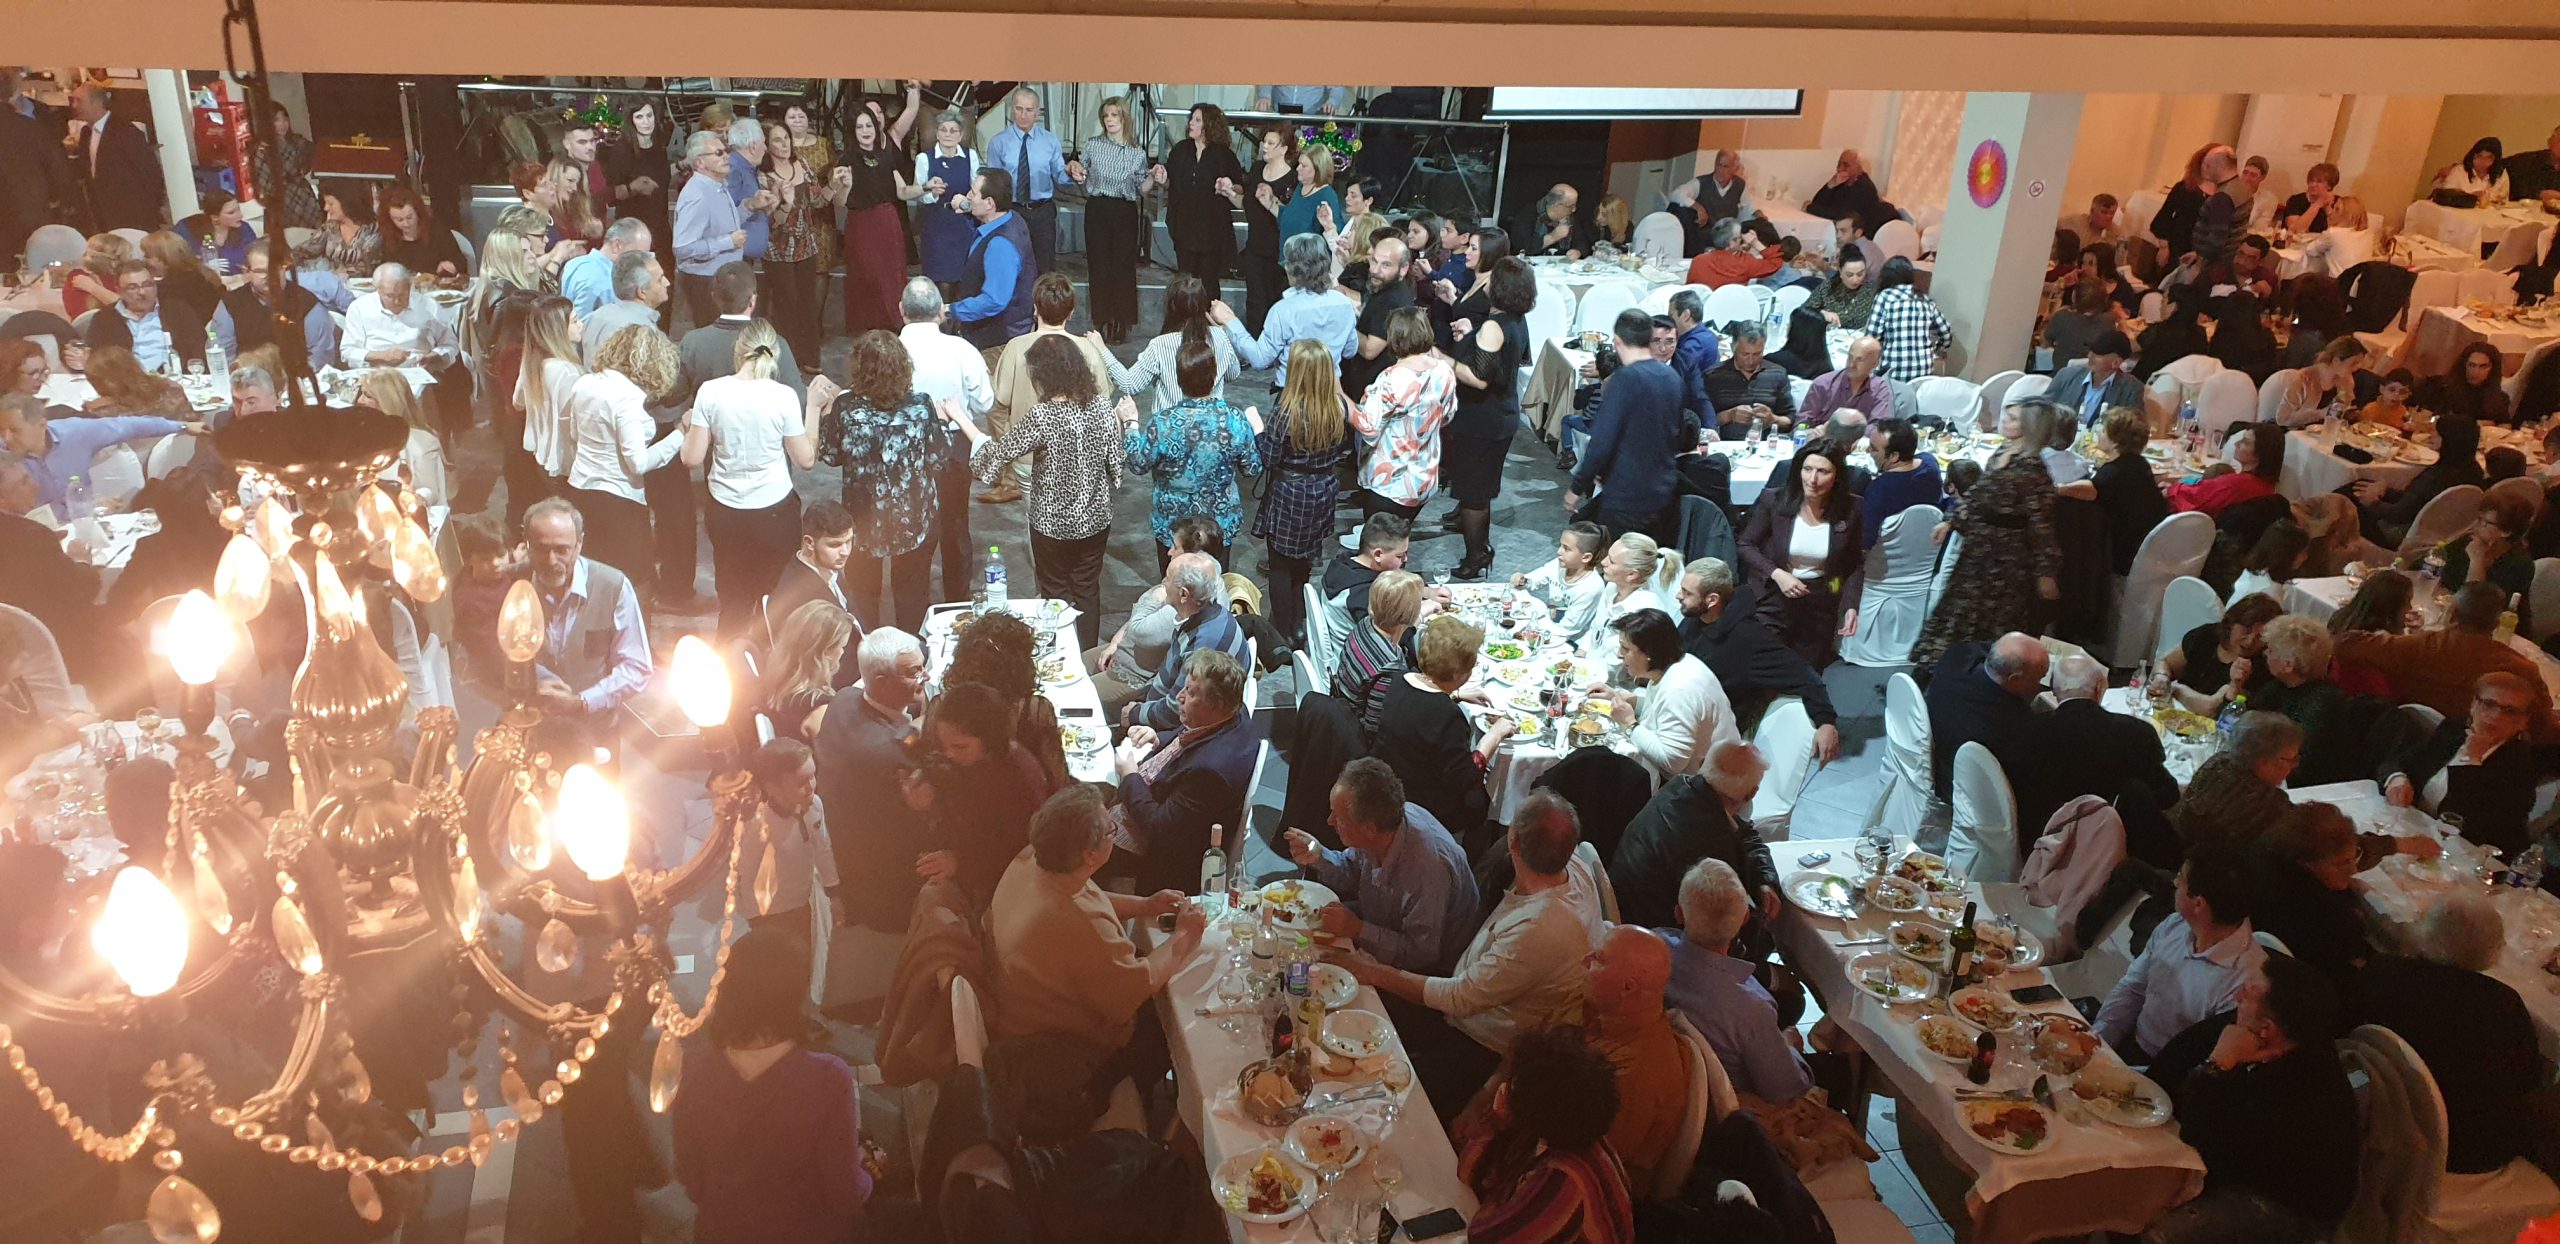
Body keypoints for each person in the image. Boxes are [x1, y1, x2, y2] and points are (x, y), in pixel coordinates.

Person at [1341, 792, 1605, 1112]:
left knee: (1378, 1093)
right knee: (1355, 1011)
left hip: (1487, 1041)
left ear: (1513, 840)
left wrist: (1374, 971)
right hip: (1466, 1000)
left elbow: (1460, 998)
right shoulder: (1571, 867)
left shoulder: (1542, 927)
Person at [988, 782, 1207, 1078]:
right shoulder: (1081, 922)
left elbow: (1087, 896)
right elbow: (1135, 989)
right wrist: (1185, 934)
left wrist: (1145, 905)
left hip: (1018, 1000)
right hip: (1057, 1042)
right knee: (1177, 1024)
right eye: (1110, 830)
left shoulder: (1033, 859)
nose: (1114, 831)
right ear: (1089, 854)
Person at [671, 926, 870, 1244]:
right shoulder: (828, 1078)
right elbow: (845, 1195)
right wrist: (868, 1172)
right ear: (796, 997)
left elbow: (690, 1179)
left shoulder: (690, 1068)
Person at [2143, 953, 2358, 1244]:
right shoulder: (2252, 1028)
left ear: (2266, 1029)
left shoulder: (2302, 1094)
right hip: (2237, 1161)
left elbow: (2205, 1141)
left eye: (2246, 994)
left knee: (2159, 1227)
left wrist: (2219, 1064)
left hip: (2285, 1207)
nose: (2237, 995)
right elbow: (2174, 1060)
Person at [949, 335, 1127, 649]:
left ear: (1043, 375)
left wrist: (962, 418)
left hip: (1051, 524)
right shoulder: (1102, 407)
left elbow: (997, 454)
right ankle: (1087, 656)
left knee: (1055, 592)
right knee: (1088, 589)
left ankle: (1061, 654)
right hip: (1095, 519)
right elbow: (1116, 464)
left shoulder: (1042, 416)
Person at [2351, 891, 2543, 1175]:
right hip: (2464, 1151)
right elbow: (2528, 1079)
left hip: (2377, 1119)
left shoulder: (2381, 973)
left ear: (2424, 934)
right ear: (2492, 952)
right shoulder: (2501, 1002)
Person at [1281, 758, 1482, 975]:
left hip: (1433, 972)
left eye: (1339, 818)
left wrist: (1357, 929)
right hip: (1382, 923)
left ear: (1369, 829)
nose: (1330, 822)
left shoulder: (1427, 869)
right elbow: (1351, 873)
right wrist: (1318, 855)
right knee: (1295, 936)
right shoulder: (1383, 826)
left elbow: (1420, 955)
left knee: (1311, 969)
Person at [812, 332, 953, 635]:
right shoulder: (921, 406)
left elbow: (830, 455)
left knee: (863, 594)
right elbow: (939, 456)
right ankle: (912, 648)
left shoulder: (846, 407)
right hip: (913, 517)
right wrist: (942, 422)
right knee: (912, 592)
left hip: (864, 519)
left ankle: (868, 649)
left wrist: (824, 414)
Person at [683, 320, 814, 637]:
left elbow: (691, 458)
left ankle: (733, 665)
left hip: (726, 511)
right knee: (778, 603)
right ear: (774, 353)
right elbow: (805, 459)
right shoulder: (783, 396)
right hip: (774, 512)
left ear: (738, 350)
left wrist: (687, 427)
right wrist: (814, 408)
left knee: (733, 603)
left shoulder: (710, 392)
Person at [1910, 401, 2063, 669]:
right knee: (1958, 610)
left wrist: (2045, 572)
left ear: (2030, 427)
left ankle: (1976, 674)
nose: (2005, 421)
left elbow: (2041, 525)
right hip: (1979, 550)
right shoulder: (2003, 451)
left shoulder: (2033, 470)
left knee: (1990, 620)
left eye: (2014, 419)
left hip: (2006, 560)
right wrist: (1951, 520)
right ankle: (1939, 672)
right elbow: (1979, 493)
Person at [1453, 1025, 1637, 1244]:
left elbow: (1485, 1236)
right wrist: (1495, 1122)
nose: (1505, 1087)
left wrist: (1496, 1198)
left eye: (1513, 1083)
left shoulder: (1565, 1178)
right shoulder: (1555, 1130)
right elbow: (1470, 1173)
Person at [1108, 649, 1262, 895]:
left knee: (1072, 843)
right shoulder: (1234, 711)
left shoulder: (1209, 772)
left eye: (1190, 693)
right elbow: (1188, 734)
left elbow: (1159, 828)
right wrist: (1157, 739)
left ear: (1216, 706)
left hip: (1161, 860)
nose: (1179, 696)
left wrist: (1129, 776)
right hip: (1160, 805)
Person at [1662, 858, 1811, 1102]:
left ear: (1679, 914)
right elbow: (1786, 1090)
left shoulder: (1655, 953)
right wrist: (1790, 1046)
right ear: (1744, 918)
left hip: (1679, 1085)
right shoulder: (1752, 1008)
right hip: (1736, 1102)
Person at [2093, 853, 2264, 1063]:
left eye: (2181, 878)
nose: (2174, 883)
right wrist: (2097, 1042)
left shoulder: (2247, 982)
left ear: (2198, 904)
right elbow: (2133, 988)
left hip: (2168, 1070)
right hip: (2131, 1042)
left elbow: (2203, 1059)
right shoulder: (2175, 925)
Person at [1673, 557, 1844, 764]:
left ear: (1712, 600)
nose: (1678, 596)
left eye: (1687, 593)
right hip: (1682, 710)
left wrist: (1826, 722)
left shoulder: (1750, 640)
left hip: (1711, 739)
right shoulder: (1694, 620)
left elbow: (1806, 677)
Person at [815, 628, 929, 931]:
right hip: (884, 889)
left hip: (844, 846)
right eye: (914, 672)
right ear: (880, 681)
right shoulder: (888, 755)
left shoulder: (844, 697)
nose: (926, 676)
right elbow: (926, 809)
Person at [2335, 582, 2554, 739]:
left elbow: (2345, 643)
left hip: (2413, 738)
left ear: (2452, 614)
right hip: (2482, 756)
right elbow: (2542, 726)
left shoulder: (2422, 647)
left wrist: (2387, 636)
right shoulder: (2522, 670)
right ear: (2496, 624)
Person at [910, 680, 1054, 908]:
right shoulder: (973, 759)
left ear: (989, 738)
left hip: (997, 888)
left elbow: (1021, 850)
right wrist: (927, 797)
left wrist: (959, 863)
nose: (948, 754)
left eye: (959, 747)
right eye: (944, 745)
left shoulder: (1021, 780)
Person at [1570, 925, 1690, 1193]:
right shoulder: (1604, 1010)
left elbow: (1588, 1166)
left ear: (1627, 988)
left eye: (1598, 959)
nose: (1585, 961)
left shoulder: (1635, 1075)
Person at [564, 325, 686, 589]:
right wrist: (680, 435)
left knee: (589, 578)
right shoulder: (628, 397)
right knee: (629, 583)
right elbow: (637, 463)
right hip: (618, 503)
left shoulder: (584, 383)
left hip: (580, 491)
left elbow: (574, 434)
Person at [1368, 614, 1512, 837]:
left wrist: (1455, 694)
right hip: (1424, 805)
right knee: (1479, 799)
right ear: (1456, 673)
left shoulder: (1399, 679)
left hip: (1391, 782)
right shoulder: (1447, 716)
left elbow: (1421, 707)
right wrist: (1494, 736)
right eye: (1469, 668)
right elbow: (1466, 777)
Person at [1123, 339, 1262, 567]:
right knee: (1214, 582)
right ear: (1214, 376)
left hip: (1174, 525)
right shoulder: (1235, 419)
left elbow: (1138, 464)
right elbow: (1252, 468)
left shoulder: (1163, 423)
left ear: (1179, 379)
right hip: (1218, 523)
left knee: (1174, 584)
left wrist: (1130, 424)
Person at [1252, 340, 1356, 640]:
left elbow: (1269, 457)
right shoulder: (1338, 407)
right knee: (1304, 563)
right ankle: (1299, 624)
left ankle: (1281, 633)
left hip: (1289, 493)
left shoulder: (1286, 412)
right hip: (1323, 491)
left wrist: (1258, 430)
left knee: (1280, 566)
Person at [2382, 670, 2542, 854]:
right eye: (2489, 704)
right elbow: (2399, 760)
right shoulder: (2454, 729)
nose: (2495, 715)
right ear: (2474, 704)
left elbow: (2462, 821)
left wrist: (2472, 761)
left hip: (2463, 853)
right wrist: (2397, 778)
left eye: (2510, 711)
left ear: (2522, 722)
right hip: (2414, 827)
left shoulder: (2522, 768)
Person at [520, 498, 653, 719]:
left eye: (562, 550)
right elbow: (489, 658)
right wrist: (532, 681)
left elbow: (636, 667)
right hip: (529, 723)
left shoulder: (612, 586)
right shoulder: (511, 585)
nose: (551, 561)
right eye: (541, 549)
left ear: (579, 543)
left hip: (594, 725)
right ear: (527, 544)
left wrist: (583, 702)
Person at [1445, 256, 1536, 579]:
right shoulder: (1515, 321)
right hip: (1501, 414)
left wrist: (1442, 358)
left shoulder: (1494, 326)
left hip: (1483, 420)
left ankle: (1476, 555)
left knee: (1474, 494)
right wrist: (1473, 335)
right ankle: (1477, 548)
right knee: (1478, 489)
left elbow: (1479, 377)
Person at [1739, 439, 1863, 667]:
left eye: (1822, 471)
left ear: (1837, 476)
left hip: (1820, 601)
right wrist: (1777, 574)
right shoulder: (1775, 500)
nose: (1812, 479)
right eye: (1807, 469)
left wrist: (1850, 605)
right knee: (1764, 664)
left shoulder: (1852, 509)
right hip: (1774, 595)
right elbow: (1746, 544)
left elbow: (1853, 563)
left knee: (1807, 669)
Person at [1568, 309, 1686, 542]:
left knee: (1619, 557)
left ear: (1617, 341)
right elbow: (1676, 433)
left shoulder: (1625, 378)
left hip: (1627, 493)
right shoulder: (1672, 377)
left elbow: (1603, 440)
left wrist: (1577, 486)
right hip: (1664, 490)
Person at [1087, 517, 1220, 718]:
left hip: (1135, 674)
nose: (1169, 552)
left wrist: (1156, 595)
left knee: (1067, 695)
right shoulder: (1190, 580)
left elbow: (1140, 631)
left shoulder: (1186, 600)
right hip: (1125, 651)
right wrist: (1115, 642)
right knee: (1065, 664)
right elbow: (1135, 625)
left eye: (1175, 547)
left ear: (1192, 558)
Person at [1345, 305, 1458, 525]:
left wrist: (1341, 397)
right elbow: (1447, 416)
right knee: (1400, 535)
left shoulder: (1391, 379)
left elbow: (1368, 427)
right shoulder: (1443, 370)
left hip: (1390, 483)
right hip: (1424, 477)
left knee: (1381, 541)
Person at [0, 392, 200, 514]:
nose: (6, 438)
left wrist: (182, 426)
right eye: (2, 430)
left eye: (14, 430)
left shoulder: (75, 433)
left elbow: (129, 426)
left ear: (41, 425)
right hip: (31, 538)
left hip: (86, 526)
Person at [1118, 553, 1251, 732]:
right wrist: (1142, 699)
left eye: (1167, 578)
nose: (1163, 583)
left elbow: (1176, 711)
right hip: (1159, 704)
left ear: (1183, 594)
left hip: (1178, 729)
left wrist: (1135, 714)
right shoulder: (1209, 615)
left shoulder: (1203, 647)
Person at [1607, 608, 1740, 781]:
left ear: (1649, 653)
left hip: (1703, 784)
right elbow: (1665, 712)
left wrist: (1630, 724)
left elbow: (1673, 761)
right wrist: (1633, 702)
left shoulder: (1679, 689)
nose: (1619, 654)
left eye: (1625, 648)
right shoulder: (1678, 664)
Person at [1216, 232, 1359, 388]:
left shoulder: (1283, 310)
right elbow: (1349, 351)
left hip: (1292, 394)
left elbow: (1260, 359)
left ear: (1292, 270)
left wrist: (1230, 321)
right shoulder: (1343, 303)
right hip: (1330, 392)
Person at [1925, 632, 2049, 804]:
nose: (2040, 684)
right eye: (2039, 677)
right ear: (2015, 679)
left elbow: (1978, 647)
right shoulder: (2013, 726)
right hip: (1964, 791)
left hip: (1936, 755)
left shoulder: (1955, 658)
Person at [737, 736, 844, 932]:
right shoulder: (758, 826)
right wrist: (756, 920)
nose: (811, 787)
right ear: (772, 788)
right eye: (801, 782)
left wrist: (833, 891)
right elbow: (747, 876)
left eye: (812, 776)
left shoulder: (815, 805)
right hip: (775, 912)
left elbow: (822, 848)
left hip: (807, 898)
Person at [818, 109, 902, 342]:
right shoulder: (847, 160)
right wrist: (844, 185)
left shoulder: (886, 156)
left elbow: (902, 191)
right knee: (867, 273)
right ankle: (868, 327)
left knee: (890, 274)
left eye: (869, 125)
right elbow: (839, 203)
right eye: (859, 126)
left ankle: (891, 323)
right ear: (852, 131)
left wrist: (926, 188)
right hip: (862, 222)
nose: (865, 131)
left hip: (887, 221)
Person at [1105, 273, 1240, 412]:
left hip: (1169, 423)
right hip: (1212, 421)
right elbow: (1232, 374)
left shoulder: (1160, 345)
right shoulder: (1220, 336)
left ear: (1171, 306)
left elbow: (1130, 384)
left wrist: (1102, 350)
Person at [1159, 103, 1243, 301]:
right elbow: (1171, 183)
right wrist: (1162, 180)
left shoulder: (1223, 155)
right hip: (1184, 228)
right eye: (1192, 119)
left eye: (1197, 120)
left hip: (1212, 232)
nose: (1191, 123)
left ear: (1209, 125)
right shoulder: (1180, 150)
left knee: (1208, 285)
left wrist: (1228, 186)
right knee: (1184, 283)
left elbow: (1240, 187)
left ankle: (1209, 319)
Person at [984, 87, 1071, 276]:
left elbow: (1060, 176)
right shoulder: (998, 142)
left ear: (1037, 112)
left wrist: (1072, 173)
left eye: (1029, 110)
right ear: (1012, 110)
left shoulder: (1050, 141)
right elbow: (994, 184)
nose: (1023, 115)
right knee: (1011, 265)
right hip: (1012, 211)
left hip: (1042, 212)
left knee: (1045, 268)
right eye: (1019, 109)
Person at [765, 501, 859, 675]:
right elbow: (811, 665)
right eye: (835, 545)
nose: (845, 552)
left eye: (849, 541)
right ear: (809, 542)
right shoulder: (795, 599)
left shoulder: (828, 566)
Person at [947, 169, 1038, 350]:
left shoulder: (1001, 245)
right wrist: (968, 206)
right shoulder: (1011, 217)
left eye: (973, 193)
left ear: (989, 203)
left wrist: (951, 310)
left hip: (995, 338)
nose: (967, 196)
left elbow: (994, 300)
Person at [673, 130, 748, 326]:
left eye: (726, 151)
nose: (726, 157)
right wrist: (727, 242)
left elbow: (720, 226)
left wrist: (750, 207)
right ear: (700, 162)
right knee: (712, 338)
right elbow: (683, 248)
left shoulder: (716, 186)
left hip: (719, 278)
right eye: (718, 153)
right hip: (704, 282)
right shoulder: (697, 194)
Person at [68, 83, 163, 232]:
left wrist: (151, 210)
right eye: (73, 100)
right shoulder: (86, 133)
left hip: (131, 214)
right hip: (102, 213)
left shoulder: (125, 131)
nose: (74, 106)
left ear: (97, 103)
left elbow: (149, 173)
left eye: (79, 101)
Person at [84, 260, 207, 375]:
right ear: (119, 290)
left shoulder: (178, 311)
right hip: (127, 383)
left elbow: (199, 349)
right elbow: (98, 361)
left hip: (173, 379)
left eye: (147, 285)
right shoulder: (105, 319)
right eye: (132, 287)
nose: (142, 292)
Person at [1514, 524, 1611, 649]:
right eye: (1560, 545)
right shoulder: (1559, 564)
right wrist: (1521, 580)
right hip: (1547, 626)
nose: (1559, 551)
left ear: (1586, 557)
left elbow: (1567, 629)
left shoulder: (1591, 587)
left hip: (1568, 642)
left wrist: (1532, 631)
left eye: (1566, 549)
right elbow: (1532, 581)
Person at [2167, 420, 2284, 518]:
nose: (2237, 444)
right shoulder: (2268, 488)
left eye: (2246, 442)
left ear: (2259, 454)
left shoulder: (2235, 484)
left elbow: (2193, 497)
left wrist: (2170, 487)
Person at [1703, 322, 1797, 439]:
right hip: (1725, 443)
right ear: (1733, 348)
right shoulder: (1714, 376)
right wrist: (1729, 415)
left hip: (1765, 444)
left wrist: (1772, 419)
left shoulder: (1777, 374)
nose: (1751, 361)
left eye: (1757, 354)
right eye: (1745, 354)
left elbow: (1790, 420)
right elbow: (1704, 420)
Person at [1867, 256, 1950, 382]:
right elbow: (1946, 333)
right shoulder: (1924, 299)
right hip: (1924, 374)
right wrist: (1938, 350)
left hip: (1893, 374)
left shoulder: (1885, 296)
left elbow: (1871, 337)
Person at [1324, 511, 1413, 624]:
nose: (1405, 559)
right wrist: (1420, 614)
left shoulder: (1343, 564)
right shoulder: (1364, 596)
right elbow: (1390, 632)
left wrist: (1422, 591)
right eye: (1400, 555)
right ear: (1378, 555)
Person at [2050, 330, 2144, 427]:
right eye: (2091, 351)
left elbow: (2133, 426)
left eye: (2098, 354)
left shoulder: (2131, 389)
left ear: (2116, 362)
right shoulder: (2066, 376)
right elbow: (2043, 407)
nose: (2089, 356)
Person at [1799, 335, 1893, 431]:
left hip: (1859, 440)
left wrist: (1851, 436)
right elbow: (1801, 424)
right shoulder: (1822, 384)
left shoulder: (1879, 388)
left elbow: (1877, 426)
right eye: (1850, 357)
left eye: (1859, 359)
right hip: (1822, 439)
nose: (1852, 364)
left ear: (1875, 364)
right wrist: (1811, 431)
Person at [300, 179, 384, 278]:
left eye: (331, 204)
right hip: (329, 282)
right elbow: (305, 250)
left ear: (347, 203)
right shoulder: (331, 227)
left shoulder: (374, 231)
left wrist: (328, 276)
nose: (326, 208)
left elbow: (365, 268)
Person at [1804, 148, 1892, 238]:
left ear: (1859, 168)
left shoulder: (1864, 187)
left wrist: (1810, 207)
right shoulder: (1842, 181)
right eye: (1839, 164)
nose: (1840, 169)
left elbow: (1841, 215)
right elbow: (1818, 203)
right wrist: (1830, 185)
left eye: (1846, 165)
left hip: (1856, 236)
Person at [2420, 342, 2513, 425]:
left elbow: (2505, 426)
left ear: (2493, 369)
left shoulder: (2498, 398)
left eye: (2483, 367)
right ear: (2464, 365)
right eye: (2472, 365)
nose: (2476, 372)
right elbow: (2425, 418)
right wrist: (2475, 424)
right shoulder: (2441, 387)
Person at [2133, 285, 2211, 382]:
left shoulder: (2158, 331)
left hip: (2151, 383)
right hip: (2186, 385)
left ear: (2173, 306)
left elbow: (2131, 348)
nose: (2161, 305)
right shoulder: (2200, 334)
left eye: (2163, 301)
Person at [1680, 149, 1756, 248]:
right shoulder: (1701, 182)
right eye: (1718, 165)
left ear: (1734, 169)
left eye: (1725, 167)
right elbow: (1676, 194)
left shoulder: (1740, 184)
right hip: (1704, 239)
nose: (1720, 170)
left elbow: (1748, 207)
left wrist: (1758, 214)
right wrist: (1698, 207)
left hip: (1728, 240)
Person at [174, 189, 255, 276]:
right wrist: (200, 265)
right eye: (231, 213)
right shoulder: (188, 229)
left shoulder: (244, 229)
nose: (241, 215)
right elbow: (175, 259)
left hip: (238, 280)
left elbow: (255, 255)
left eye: (238, 209)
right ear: (215, 217)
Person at [1686, 217, 1783, 289]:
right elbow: (1775, 263)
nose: (1743, 238)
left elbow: (1689, 289)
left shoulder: (1698, 260)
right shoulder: (1745, 262)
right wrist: (1756, 243)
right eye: (1740, 237)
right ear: (1732, 243)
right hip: (1734, 307)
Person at [1518, 182, 1589, 260]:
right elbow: (1522, 249)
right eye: (1571, 206)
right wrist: (1553, 237)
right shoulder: (1528, 214)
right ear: (1557, 205)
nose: (1574, 209)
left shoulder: (1570, 218)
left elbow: (1583, 243)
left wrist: (1578, 252)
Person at [1805, 252, 1874, 330]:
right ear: (1840, 272)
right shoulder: (1827, 287)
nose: (1855, 280)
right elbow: (1802, 311)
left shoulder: (1871, 290)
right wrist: (1821, 313)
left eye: (1860, 274)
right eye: (1849, 275)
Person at [2434, 137, 2509, 201]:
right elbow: (2446, 196)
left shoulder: (2500, 175)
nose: (2483, 161)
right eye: (2479, 156)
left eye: (2489, 158)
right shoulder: (2459, 171)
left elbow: (2503, 200)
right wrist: (2468, 197)